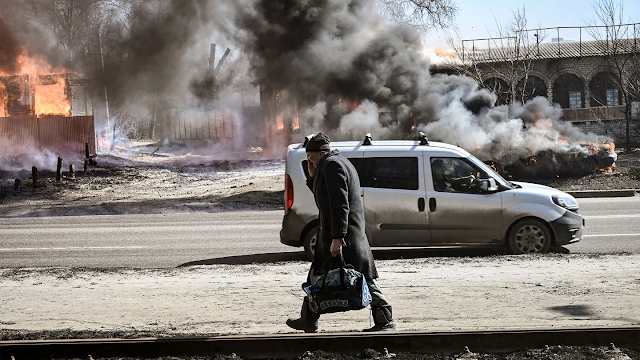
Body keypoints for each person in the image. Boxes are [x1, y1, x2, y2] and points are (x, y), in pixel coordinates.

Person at [286, 132, 397, 333]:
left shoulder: (332, 166)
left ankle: (385, 319)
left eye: (310, 156)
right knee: (317, 276)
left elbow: (339, 205)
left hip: (343, 237)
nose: (308, 159)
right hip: (338, 234)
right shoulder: (335, 163)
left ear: (320, 152)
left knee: (363, 278)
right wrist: (312, 176)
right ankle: (308, 319)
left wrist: (338, 238)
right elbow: (325, 195)